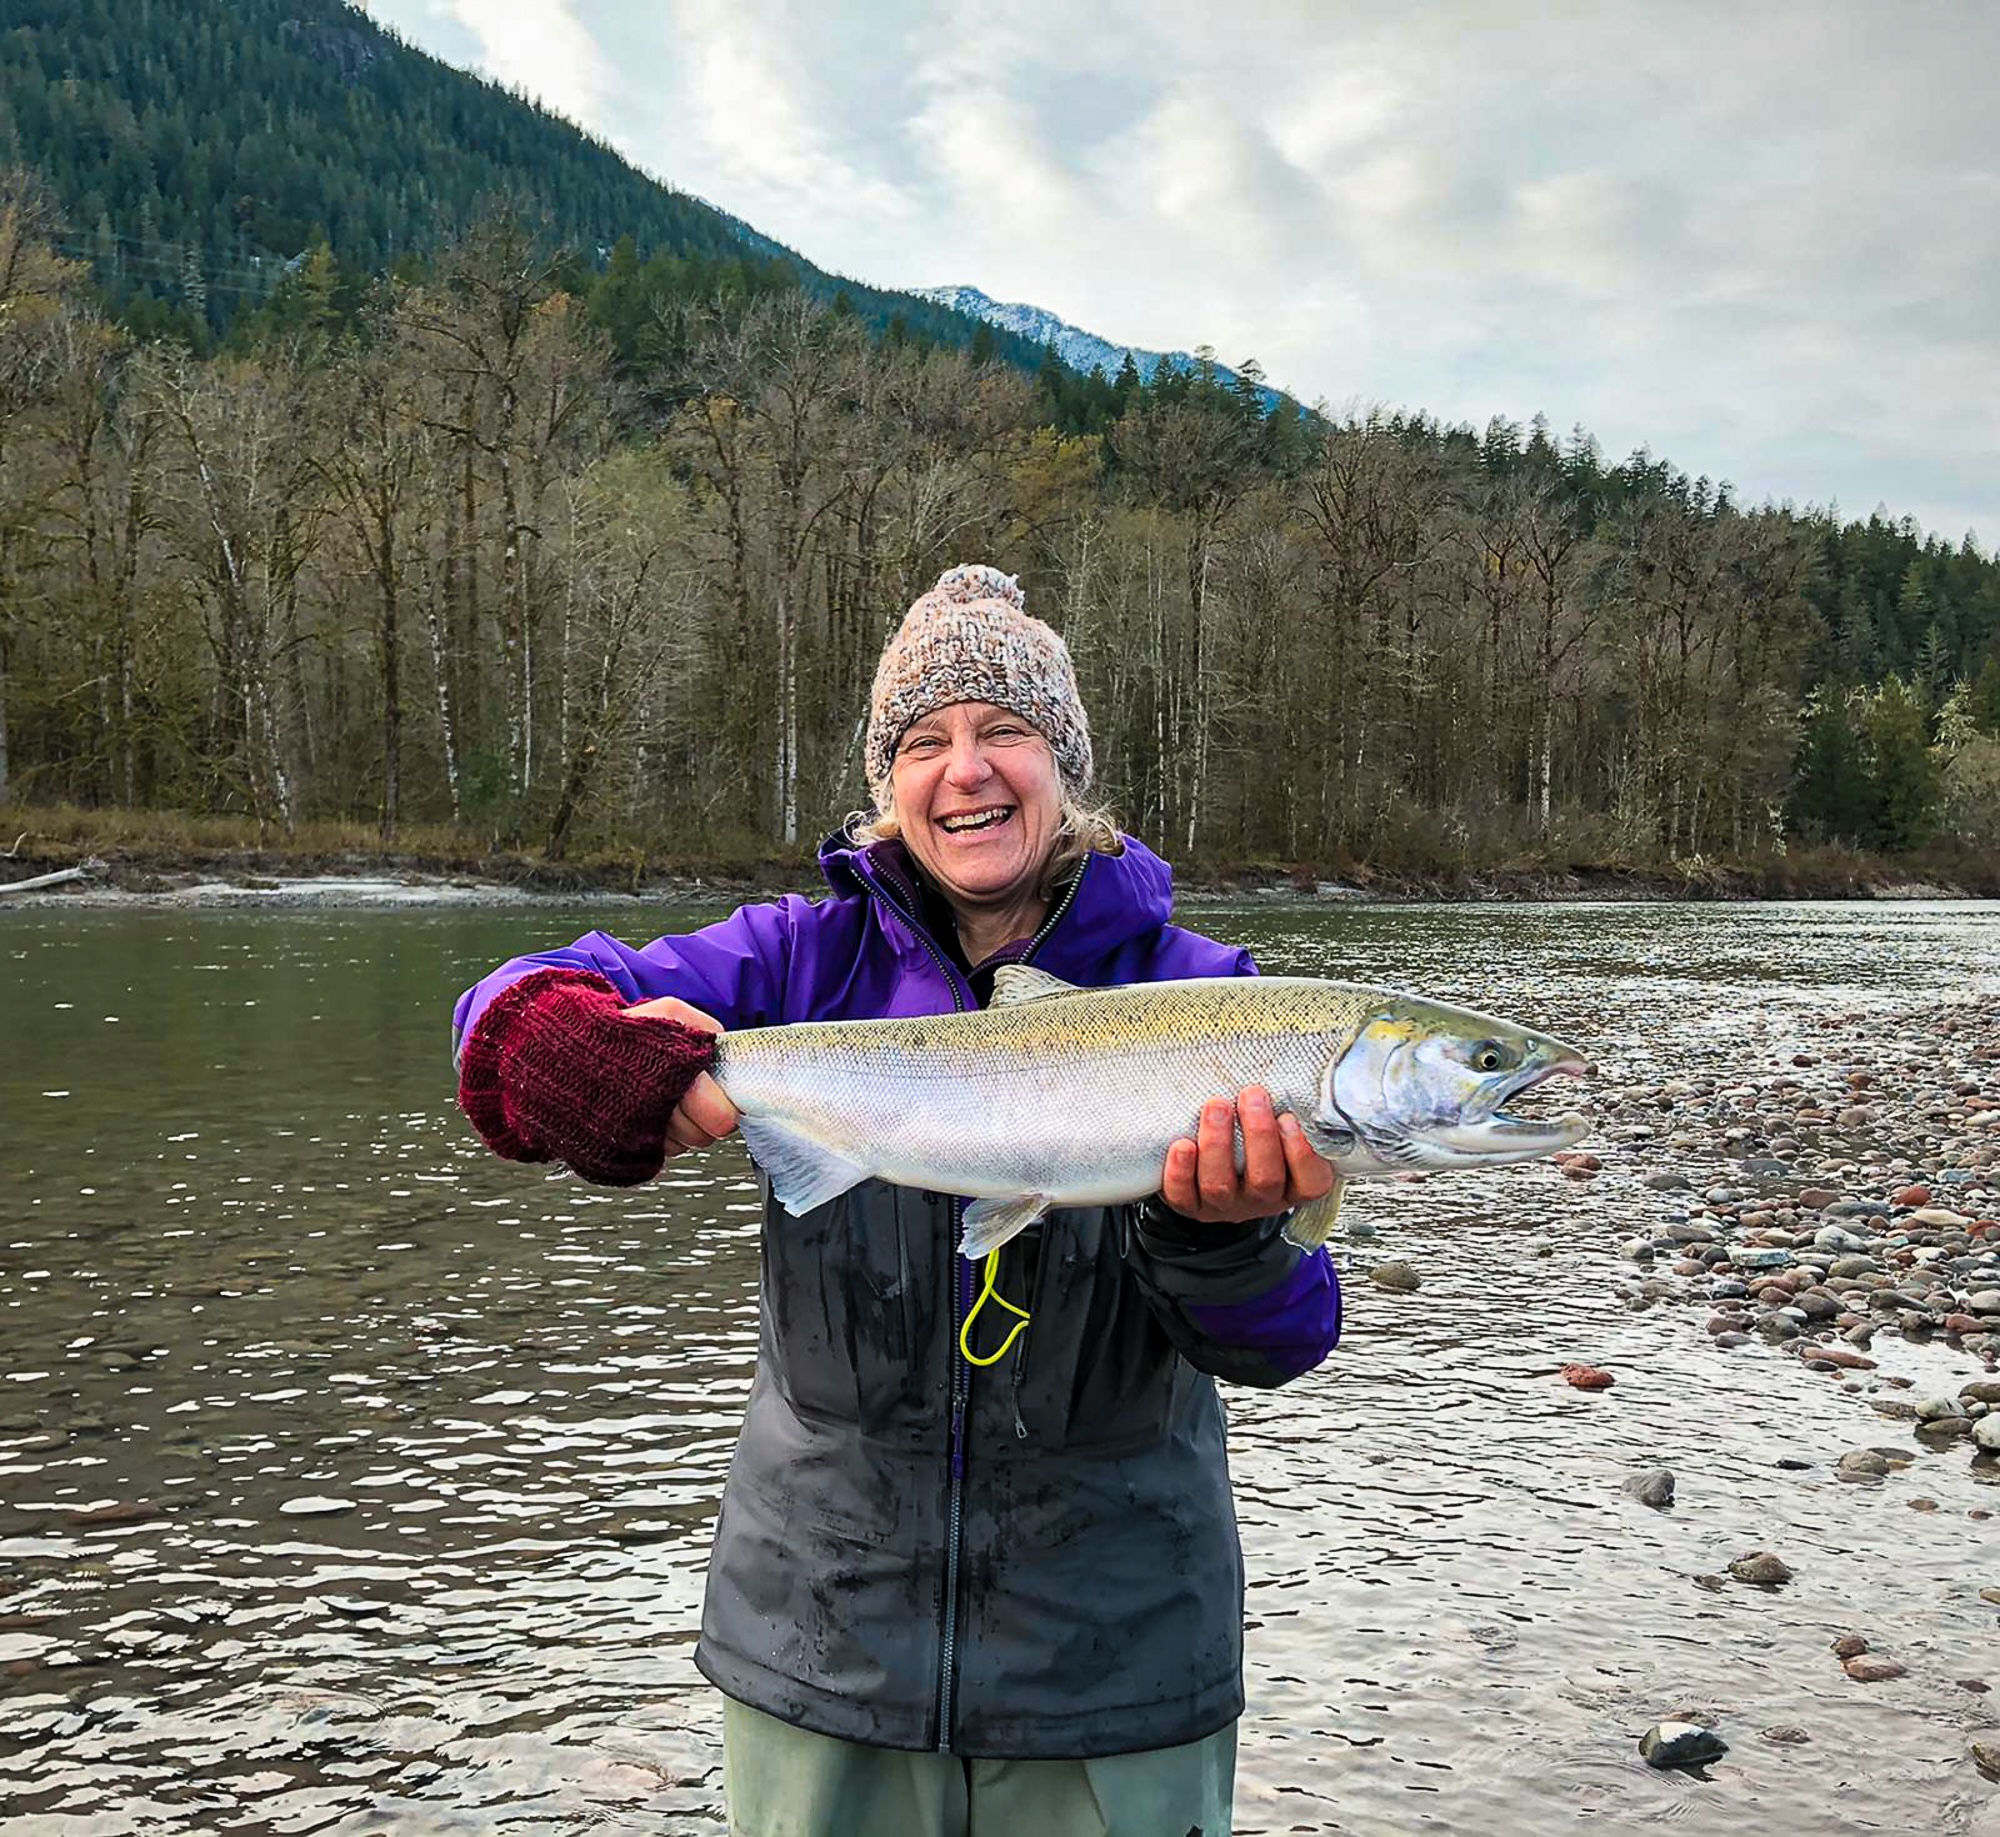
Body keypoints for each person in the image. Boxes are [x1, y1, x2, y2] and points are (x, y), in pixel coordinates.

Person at [453, 564, 1342, 1837]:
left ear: (1065, 766)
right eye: (923, 743)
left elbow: (1284, 1338)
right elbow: (509, 995)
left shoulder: (1205, 993)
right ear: (888, 785)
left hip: (1117, 1668)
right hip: (822, 1645)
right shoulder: (796, 959)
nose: (965, 769)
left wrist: (1219, 1236)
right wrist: (557, 1046)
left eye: (1004, 733)